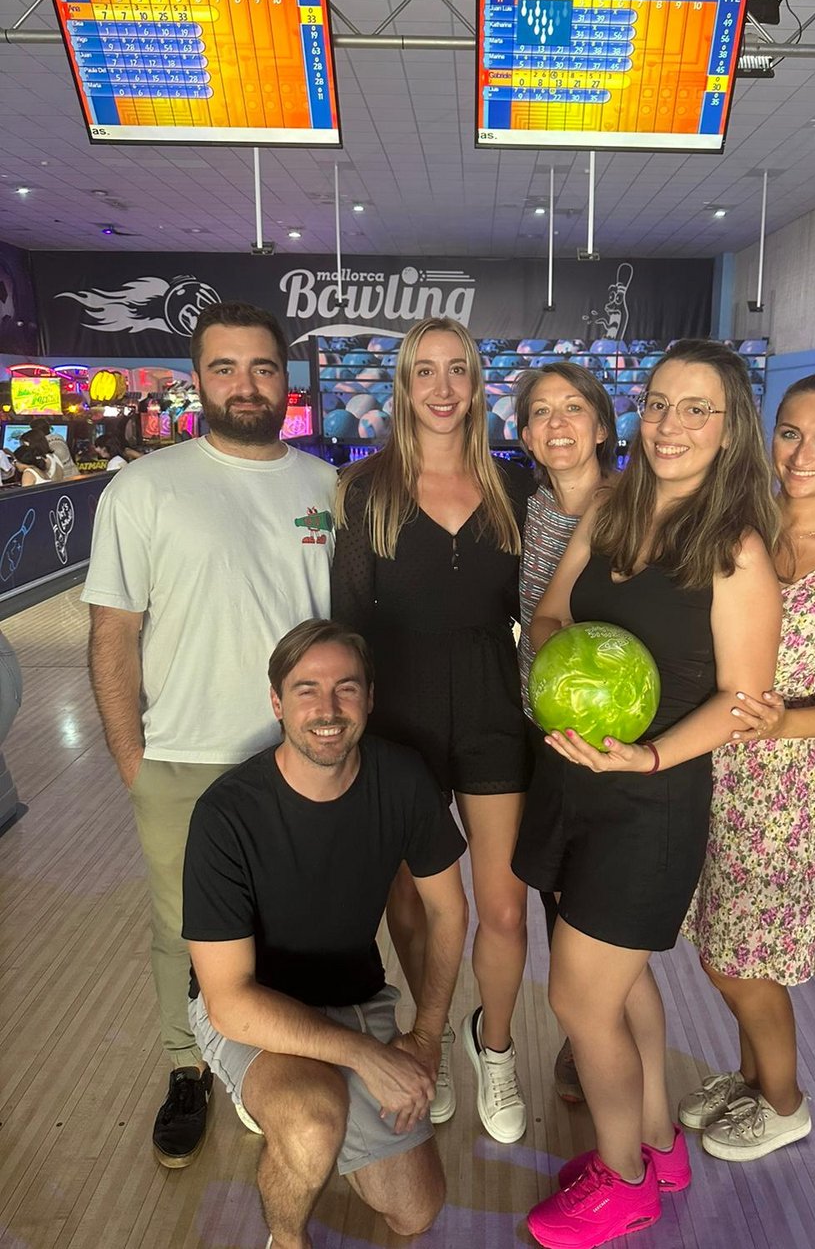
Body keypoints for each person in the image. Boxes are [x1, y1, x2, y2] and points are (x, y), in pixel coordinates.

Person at [514, 339, 782, 1249]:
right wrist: (566, 668)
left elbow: (743, 702)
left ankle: (624, 1181)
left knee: (579, 1001)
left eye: (697, 409)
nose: (671, 425)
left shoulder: (737, 549)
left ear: (729, 429)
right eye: (660, 403)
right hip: (573, 780)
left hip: (652, 803)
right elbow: (551, 612)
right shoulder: (614, 507)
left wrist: (651, 756)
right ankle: (658, 1143)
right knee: (621, 987)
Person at [82, 300, 339, 1169]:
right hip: (182, 756)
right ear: (198, 380)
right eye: (224, 368)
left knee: (290, 920)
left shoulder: (324, 488)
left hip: (301, 756)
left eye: (261, 367)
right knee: (183, 927)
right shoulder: (143, 489)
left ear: (285, 380)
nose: (244, 384)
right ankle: (185, 1067)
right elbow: (113, 632)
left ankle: (280, 1058)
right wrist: (133, 761)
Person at [184, 620, 468, 1249]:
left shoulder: (403, 779)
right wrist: (366, 1056)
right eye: (306, 689)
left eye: (346, 688)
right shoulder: (225, 814)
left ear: (369, 697)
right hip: (253, 1010)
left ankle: (313, 1108)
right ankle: (287, 1236)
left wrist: (427, 1037)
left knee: (416, 1212)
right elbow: (229, 1000)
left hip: (352, 997)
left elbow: (449, 912)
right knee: (313, 1121)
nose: (328, 709)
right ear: (277, 702)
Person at [681, 371, 815, 1161]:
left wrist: (786, 725)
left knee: (736, 959)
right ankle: (750, 1078)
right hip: (701, 763)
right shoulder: (736, 524)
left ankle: (784, 1102)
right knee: (724, 939)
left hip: (773, 791)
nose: (804, 453)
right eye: (790, 432)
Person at [332, 317, 535, 1143]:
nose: (443, 388)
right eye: (425, 371)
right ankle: (431, 1038)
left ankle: (496, 1048)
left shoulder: (515, 487)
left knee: (505, 909)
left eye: (457, 370)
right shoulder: (365, 489)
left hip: (493, 712)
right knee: (414, 908)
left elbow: (543, 608)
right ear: (403, 387)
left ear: (477, 384)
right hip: (397, 720)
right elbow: (349, 621)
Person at [514, 360, 616, 1104]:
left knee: (601, 893)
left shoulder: (639, 509)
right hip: (538, 727)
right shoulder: (521, 512)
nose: (557, 423)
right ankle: (585, 1037)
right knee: (556, 887)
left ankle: (602, 1028)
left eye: (573, 407)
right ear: (525, 436)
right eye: (541, 412)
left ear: (601, 426)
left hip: (616, 734)